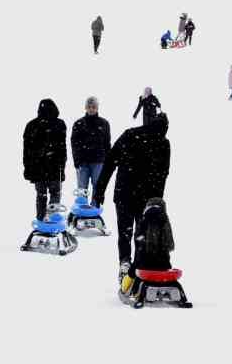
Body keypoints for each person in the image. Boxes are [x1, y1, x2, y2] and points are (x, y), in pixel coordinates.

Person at [93, 113, 171, 268]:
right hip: (145, 198)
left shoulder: (130, 134)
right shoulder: (163, 143)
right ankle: (136, 267)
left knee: (125, 233)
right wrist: (157, 201)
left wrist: (100, 190)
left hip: (124, 193)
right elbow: (163, 174)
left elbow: (110, 162)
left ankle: (125, 263)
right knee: (141, 235)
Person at [22, 99, 68, 219]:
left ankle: (41, 218)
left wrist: (27, 168)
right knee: (55, 194)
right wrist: (62, 168)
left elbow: (26, 151)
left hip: (39, 167)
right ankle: (52, 219)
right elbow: (62, 149)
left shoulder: (31, 125)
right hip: (52, 166)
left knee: (41, 195)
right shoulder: (59, 124)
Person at [71, 97, 111, 199]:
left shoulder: (104, 123)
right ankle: (81, 211)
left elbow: (107, 143)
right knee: (82, 189)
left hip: (98, 162)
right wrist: (77, 160)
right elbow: (74, 144)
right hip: (82, 162)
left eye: (94, 107)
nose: (91, 109)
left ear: (97, 108)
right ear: (86, 108)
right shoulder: (79, 123)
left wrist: (108, 161)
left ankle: (94, 210)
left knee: (97, 187)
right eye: (89, 107)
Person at [130, 198, 175, 274]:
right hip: (163, 266)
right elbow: (170, 245)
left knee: (129, 283)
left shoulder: (144, 220)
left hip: (145, 268)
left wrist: (131, 272)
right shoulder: (164, 219)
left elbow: (140, 250)